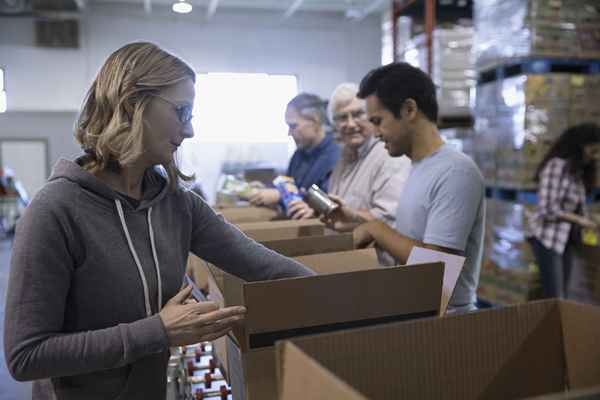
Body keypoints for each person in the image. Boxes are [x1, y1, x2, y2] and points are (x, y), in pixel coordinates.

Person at [4, 42, 314, 400]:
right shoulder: (55, 211)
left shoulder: (178, 206)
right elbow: (26, 356)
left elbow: (267, 267)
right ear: (133, 104)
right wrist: (157, 332)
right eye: (182, 111)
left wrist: (357, 306)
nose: (191, 130)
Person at [351, 63, 486, 313]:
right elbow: (415, 240)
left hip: (446, 320)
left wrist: (377, 230)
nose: (375, 133)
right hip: (417, 310)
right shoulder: (419, 166)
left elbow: (437, 268)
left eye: (378, 121)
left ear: (409, 110)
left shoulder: (455, 172)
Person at [322, 82, 411, 234]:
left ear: (371, 116)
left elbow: (390, 221)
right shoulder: (343, 159)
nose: (350, 124)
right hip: (347, 250)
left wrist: (353, 217)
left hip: (376, 256)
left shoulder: (390, 157)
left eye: (357, 114)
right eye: (342, 117)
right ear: (334, 124)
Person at [527, 123, 600, 299]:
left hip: (567, 240)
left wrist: (591, 218)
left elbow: (575, 208)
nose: (596, 156)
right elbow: (547, 208)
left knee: (561, 295)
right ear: (580, 145)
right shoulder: (556, 166)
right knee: (556, 296)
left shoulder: (577, 172)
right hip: (548, 239)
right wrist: (580, 221)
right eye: (594, 150)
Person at [249, 93, 340, 219]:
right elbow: (290, 185)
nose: (289, 133)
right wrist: (266, 190)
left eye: (293, 126)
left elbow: (329, 202)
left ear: (315, 120)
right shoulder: (299, 154)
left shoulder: (336, 156)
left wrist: (280, 196)